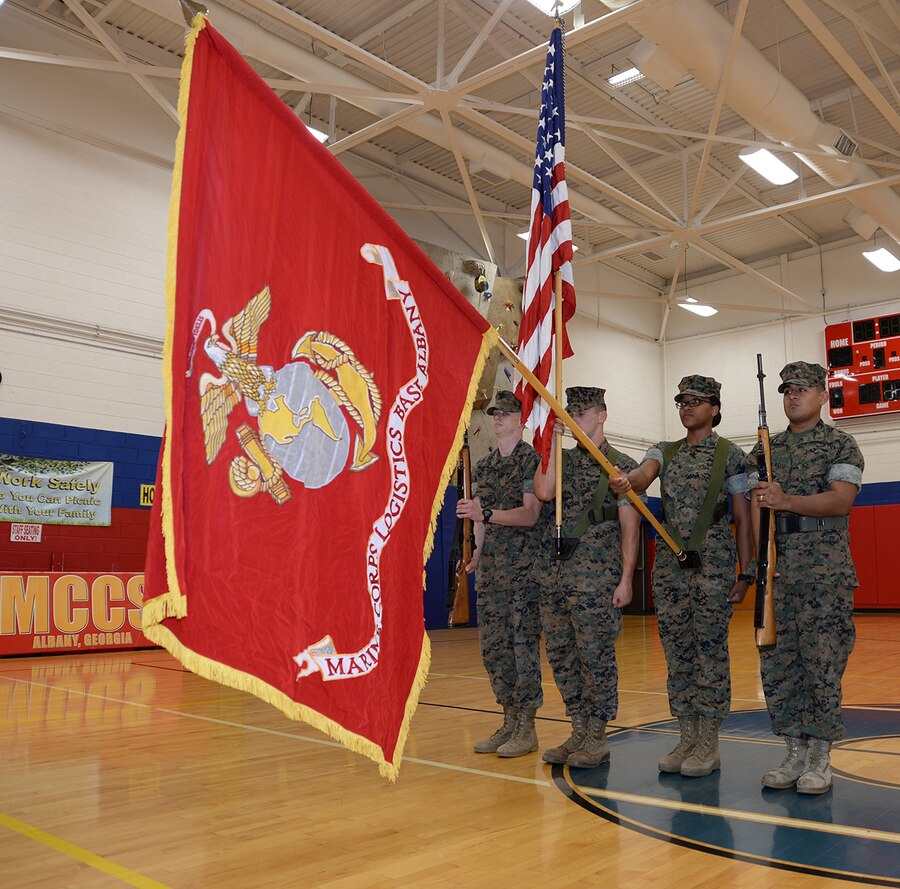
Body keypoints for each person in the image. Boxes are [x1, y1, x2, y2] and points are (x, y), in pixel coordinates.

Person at [610, 375, 753, 777]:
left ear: (715, 409)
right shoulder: (665, 450)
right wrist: (627, 482)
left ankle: (709, 740)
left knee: (710, 652)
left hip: (714, 564)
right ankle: (686, 734)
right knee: (677, 654)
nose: (687, 407)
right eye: (682, 401)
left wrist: (746, 574)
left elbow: (743, 520)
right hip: (671, 569)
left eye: (697, 401)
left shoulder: (732, 456)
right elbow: (642, 476)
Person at [750, 361, 863, 795]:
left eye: (802, 388)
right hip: (777, 571)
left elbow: (840, 503)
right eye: (786, 389)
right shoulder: (765, 448)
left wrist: (786, 499)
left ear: (822, 395)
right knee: (779, 667)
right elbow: (750, 507)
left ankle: (820, 756)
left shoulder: (841, 444)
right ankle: (794, 752)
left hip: (823, 572)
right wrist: (758, 561)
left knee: (822, 664)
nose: (792, 396)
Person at [533, 386, 641, 768]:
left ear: (602, 415)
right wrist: (551, 444)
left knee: (596, 657)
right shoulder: (560, 461)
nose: (575, 419)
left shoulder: (621, 466)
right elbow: (544, 492)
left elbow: (631, 527)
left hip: (596, 580)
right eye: (571, 413)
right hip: (556, 577)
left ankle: (596, 734)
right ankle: (577, 727)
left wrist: (627, 579)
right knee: (562, 655)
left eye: (582, 413)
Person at [456, 390, 544, 758]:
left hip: (524, 573)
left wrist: (486, 515)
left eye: (505, 414)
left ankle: (527, 727)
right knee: (495, 650)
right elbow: (480, 521)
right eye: (494, 414)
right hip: (492, 573)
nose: (497, 419)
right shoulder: (486, 465)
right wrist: (476, 552)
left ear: (521, 420)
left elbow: (530, 515)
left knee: (523, 649)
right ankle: (508, 720)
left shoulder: (532, 461)